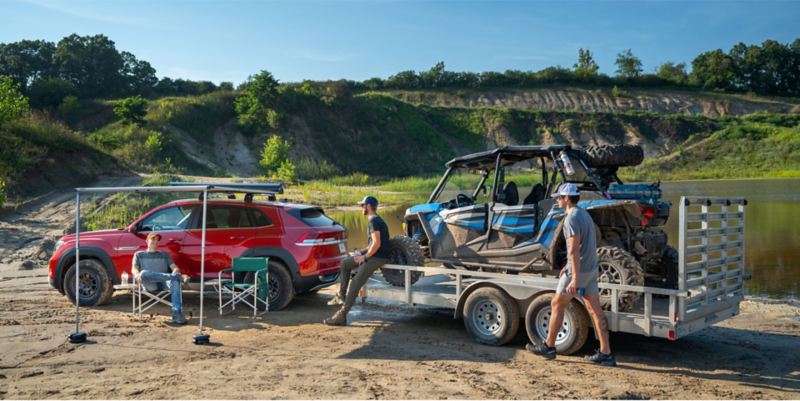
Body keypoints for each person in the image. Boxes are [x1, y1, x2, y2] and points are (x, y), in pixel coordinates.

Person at [527, 183, 616, 366]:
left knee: (556, 304)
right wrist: (568, 263)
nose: (557, 200)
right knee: (595, 310)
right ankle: (606, 353)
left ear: (567, 198)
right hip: (591, 269)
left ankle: (549, 346)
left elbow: (575, 250)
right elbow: (584, 245)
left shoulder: (570, 219)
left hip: (579, 271)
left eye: (559, 197)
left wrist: (574, 277)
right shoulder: (584, 214)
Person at [324, 195, 390, 326]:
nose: (361, 208)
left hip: (377, 257)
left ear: (368, 206)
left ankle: (341, 316)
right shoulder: (375, 219)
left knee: (354, 284)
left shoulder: (374, 221)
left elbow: (377, 244)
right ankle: (341, 295)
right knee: (345, 264)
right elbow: (373, 243)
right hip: (372, 254)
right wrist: (363, 251)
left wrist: (365, 257)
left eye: (362, 205)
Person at [131, 232, 190, 325]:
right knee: (143, 274)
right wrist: (137, 275)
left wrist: (175, 271)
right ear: (147, 240)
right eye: (153, 239)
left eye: (158, 239)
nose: (156, 241)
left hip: (164, 283)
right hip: (150, 284)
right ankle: (175, 277)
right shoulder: (139, 254)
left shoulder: (164, 255)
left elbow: (175, 267)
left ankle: (177, 314)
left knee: (175, 282)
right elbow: (134, 269)